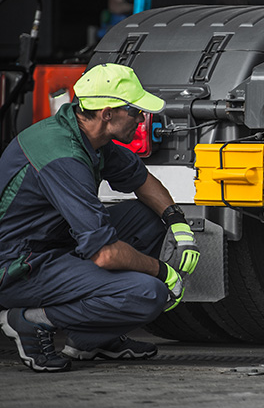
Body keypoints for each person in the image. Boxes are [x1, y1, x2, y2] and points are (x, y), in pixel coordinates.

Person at [0, 63, 200, 372]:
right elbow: (104, 254)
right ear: (108, 113)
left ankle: (91, 339)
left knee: (145, 216)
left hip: (53, 243)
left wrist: (177, 222)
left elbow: (141, 179)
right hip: (19, 265)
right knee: (148, 293)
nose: (141, 119)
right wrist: (163, 272)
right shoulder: (62, 155)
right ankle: (29, 321)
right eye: (135, 112)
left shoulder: (87, 136)